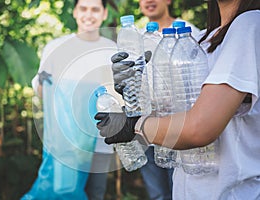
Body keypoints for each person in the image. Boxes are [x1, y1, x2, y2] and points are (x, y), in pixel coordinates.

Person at [95, 0, 260, 199]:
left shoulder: (251, 24)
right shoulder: (203, 39)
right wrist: (134, 90)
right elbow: (173, 114)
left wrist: (133, 125)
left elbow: (199, 128)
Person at [23, 0, 117, 199]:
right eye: (83, 9)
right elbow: (41, 93)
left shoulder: (112, 51)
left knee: (95, 193)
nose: (88, 14)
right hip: (64, 144)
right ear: (75, 12)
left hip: (101, 142)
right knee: (62, 192)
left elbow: (118, 97)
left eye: (95, 9)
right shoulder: (56, 48)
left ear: (104, 13)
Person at [138, 1, 200, 199]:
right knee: (157, 193)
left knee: (182, 189)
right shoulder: (138, 38)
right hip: (147, 128)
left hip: (179, 127)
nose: (149, 1)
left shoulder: (190, 33)